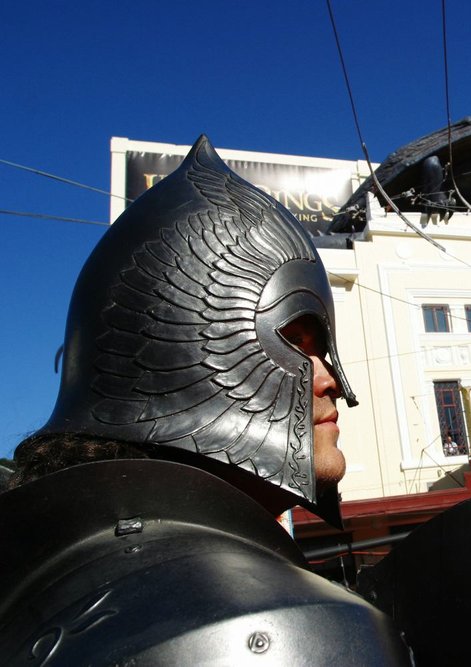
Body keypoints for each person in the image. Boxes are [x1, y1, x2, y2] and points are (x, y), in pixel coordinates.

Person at [0, 137, 411, 663]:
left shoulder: (59, 586)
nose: (329, 380)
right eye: (295, 341)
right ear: (185, 353)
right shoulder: (274, 628)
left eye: (322, 348)